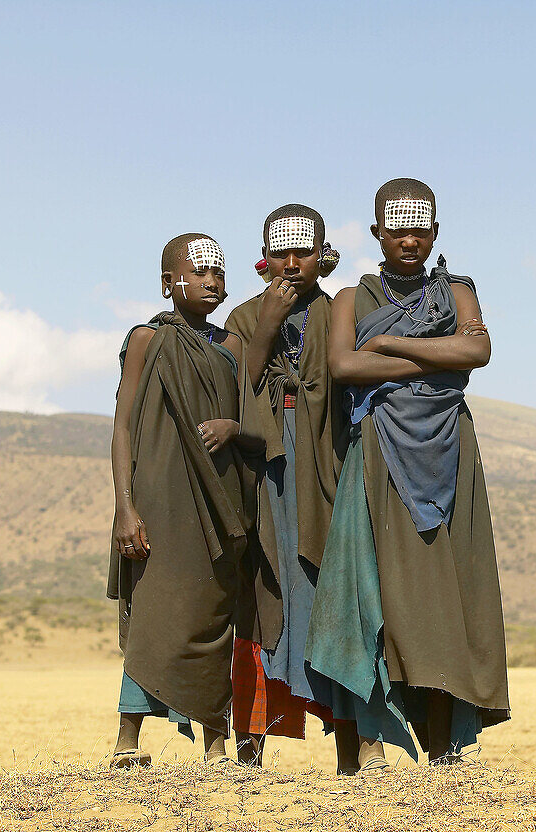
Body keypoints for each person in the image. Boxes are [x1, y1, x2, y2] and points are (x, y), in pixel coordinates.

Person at [309, 177, 510, 768]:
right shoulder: (352, 296)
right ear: (376, 233)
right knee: (373, 590)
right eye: (397, 230)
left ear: (436, 232)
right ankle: (370, 745)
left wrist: (392, 344)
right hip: (377, 454)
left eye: (420, 229)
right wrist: (434, 349)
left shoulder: (458, 291)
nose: (409, 240)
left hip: (448, 451)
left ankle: (446, 746)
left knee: (448, 594)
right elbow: (344, 364)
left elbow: (477, 352)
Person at [108, 233, 257, 767]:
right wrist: (125, 506)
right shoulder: (147, 339)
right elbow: (123, 422)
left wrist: (233, 424)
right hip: (157, 497)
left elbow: (250, 417)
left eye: (219, 273)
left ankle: (217, 744)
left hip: (218, 499)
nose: (212, 282)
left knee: (213, 614)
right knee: (152, 612)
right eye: (200, 273)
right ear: (170, 283)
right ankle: (128, 743)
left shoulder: (230, 346)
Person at [224, 205, 356, 769]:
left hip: (327, 462)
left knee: (332, 587)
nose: (292, 263)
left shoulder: (342, 310)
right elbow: (232, 387)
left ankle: (352, 745)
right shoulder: (244, 316)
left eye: (304, 252)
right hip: (265, 466)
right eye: (281, 252)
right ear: (263, 259)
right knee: (263, 590)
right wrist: (270, 325)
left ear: (323, 255)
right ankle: (250, 745)